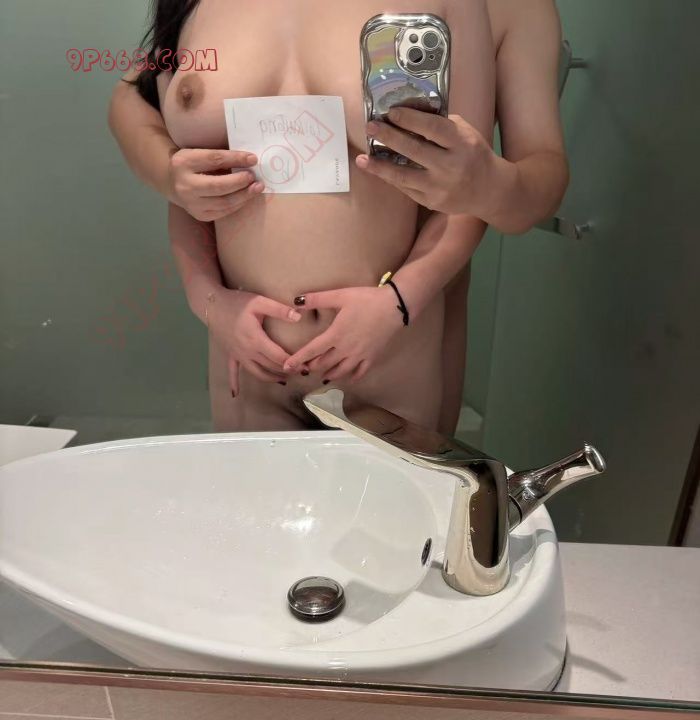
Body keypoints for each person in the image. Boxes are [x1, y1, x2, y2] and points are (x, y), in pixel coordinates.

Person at [109, 0, 567, 433]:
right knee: (247, 494)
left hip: (385, 358)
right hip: (250, 361)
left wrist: (398, 302)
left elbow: (466, 188)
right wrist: (207, 299)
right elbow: (187, 173)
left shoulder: (458, 10)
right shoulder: (198, 11)